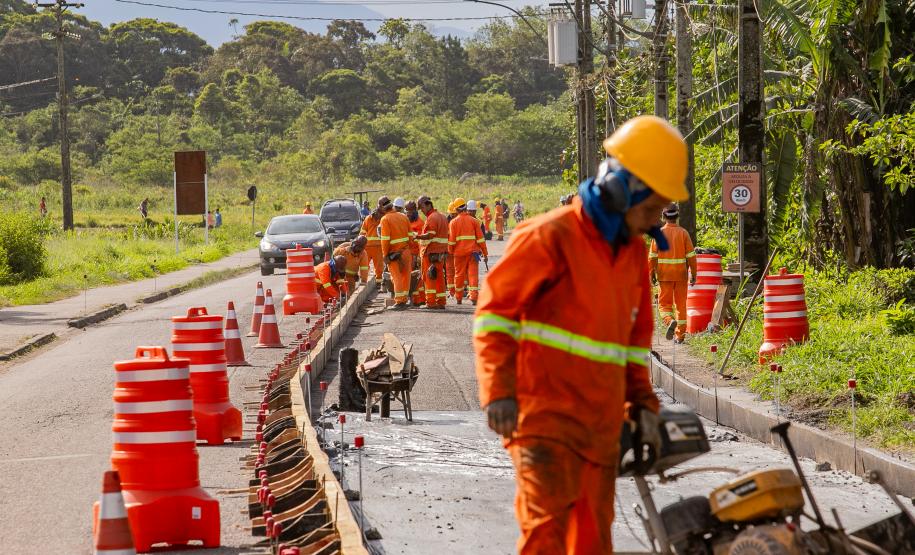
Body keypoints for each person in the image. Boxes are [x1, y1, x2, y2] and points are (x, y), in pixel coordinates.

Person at [474, 115, 689, 554]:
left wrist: (645, 405)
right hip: (543, 419)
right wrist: (498, 391)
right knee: (547, 536)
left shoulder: (630, 253)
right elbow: (495, 316)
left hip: (600, 428)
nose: (652, 224)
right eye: (649, 210)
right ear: (620, 189)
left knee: (592, 542)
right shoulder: (548, 236)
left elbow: (631, 346)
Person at [651, 203, 697, 344]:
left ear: (663, 217)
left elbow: (652, 257)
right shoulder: (683, 233)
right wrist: (693, 274)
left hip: (664, 276)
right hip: (681, 275)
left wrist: (652, 274)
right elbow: (691, 256)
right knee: (681, 305)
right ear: (677, 217)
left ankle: (670, 321)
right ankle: (680, 336)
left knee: (664, 305)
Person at [448, 198, 487, 305]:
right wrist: (485, 253)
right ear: (465, 207)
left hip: (459, 254)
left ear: (456, 209)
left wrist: (451, 252)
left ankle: (459, 298)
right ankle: (474, 297)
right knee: (473, 275)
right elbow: (480, 239)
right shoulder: (474, 221)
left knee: (459, 275)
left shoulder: (453, 222)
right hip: (473, 253)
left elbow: (451, 241)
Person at [414, 196, 449, 309]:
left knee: (429, 278)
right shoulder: (442, 216)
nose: (422, 211)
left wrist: (417, 236)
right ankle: (441, 301)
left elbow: (430, 234)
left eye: (422, 207)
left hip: (431, 253)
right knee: (439, 278)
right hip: (440, 253)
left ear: (429, 205)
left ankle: (431, 302)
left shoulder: (432, 218)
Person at [379, 196, 413, 310]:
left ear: (382, 207)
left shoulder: (385, 219)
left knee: (396, 277)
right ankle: (404, 299)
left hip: (394, 254)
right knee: (405, 276)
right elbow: (411, 237)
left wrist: (385, 255)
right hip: (406, 252)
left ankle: (399, 301)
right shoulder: (403, 217)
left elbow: (385, 240)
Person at [359, 199, 386, 283]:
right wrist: (360, 243)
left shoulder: (384, 220)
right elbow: (362, 232)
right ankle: (363, 281)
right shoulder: (368, 219)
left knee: (379, 267)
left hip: (378, 247)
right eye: (377, 213)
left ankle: (378, 282)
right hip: (367, 247)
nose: (378, 215)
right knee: (364, 265)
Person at [405, 200, 425, 307]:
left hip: (415, 254)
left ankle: (420, 299)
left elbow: (421, 241)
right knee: (410, 277)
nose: (408, 213)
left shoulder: (420, 223)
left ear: (415, 211)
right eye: (407, 211)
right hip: (407, 254)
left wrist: (418, 256)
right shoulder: (405, 222)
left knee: (417, 278)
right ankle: (414, 299)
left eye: (410, 211)